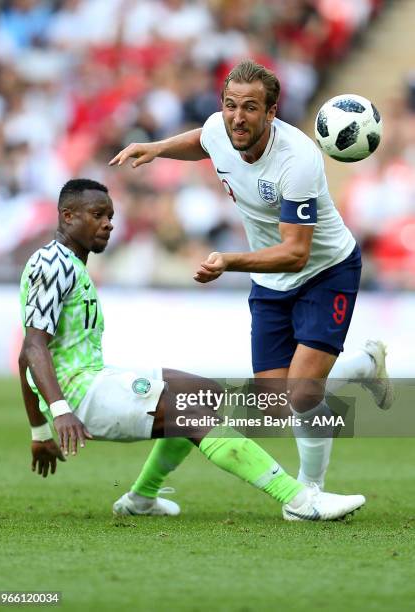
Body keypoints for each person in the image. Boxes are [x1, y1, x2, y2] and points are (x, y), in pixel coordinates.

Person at [109, 59, 394, 492]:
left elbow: (296, 254)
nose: (237, 117)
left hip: (325, 270)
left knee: (302, 393)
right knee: (275, 406)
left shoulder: (297, 161)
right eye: (230, 105)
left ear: (271, 112)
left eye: (249, 108)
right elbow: (203, 141)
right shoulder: (220, 129)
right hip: (270, 278)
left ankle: (310, 490)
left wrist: (229, 260)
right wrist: (157, 148)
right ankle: (363, 364)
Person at [19, 178, 366, 522]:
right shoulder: (52, 264)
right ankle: (299, 500)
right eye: (97, 214)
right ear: (67, 216)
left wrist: (39, 432)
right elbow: (33, 347)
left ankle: (141, 499)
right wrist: (59, 411)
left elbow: (25, 358)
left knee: (204, 392)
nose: (108, 223)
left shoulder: (70, 265)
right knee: (192, 412)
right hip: (79, 394)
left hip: (90, 381)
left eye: (110, 215)